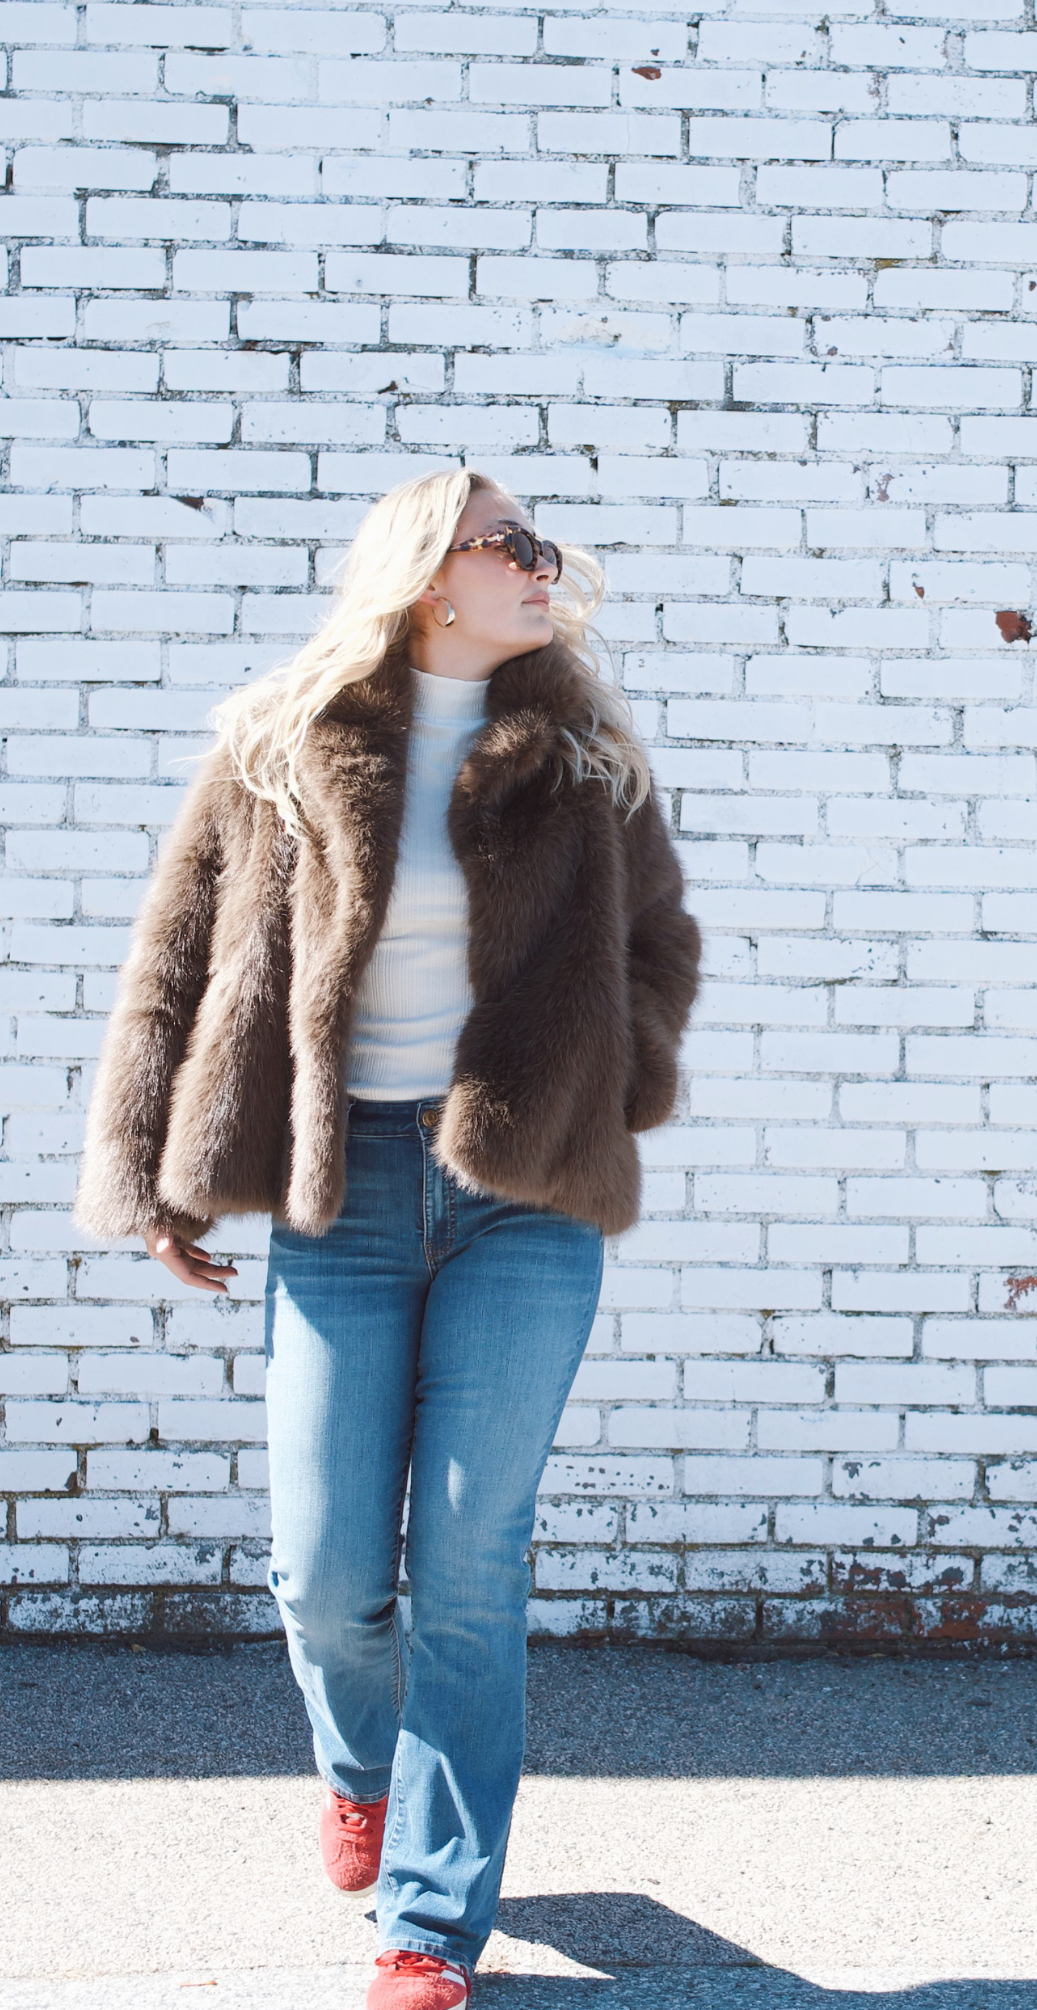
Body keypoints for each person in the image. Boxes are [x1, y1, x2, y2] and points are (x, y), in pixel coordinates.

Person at [74, 469, 702, 2010]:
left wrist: (614, 1079)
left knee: (471, 1563)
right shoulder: (279, 747)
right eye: (513, 544)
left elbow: (660, 943)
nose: (544, 565)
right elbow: (172, 963)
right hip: (342, 1192)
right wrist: (147, 1175)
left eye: (546, 545)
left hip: (523, 1194)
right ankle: (360, 1762)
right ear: (431, 573)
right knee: (325, 1572)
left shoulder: (584, 759)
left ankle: (428, 1924)